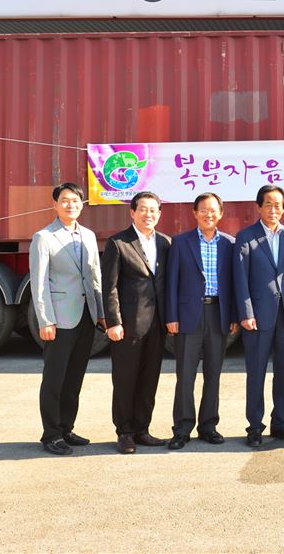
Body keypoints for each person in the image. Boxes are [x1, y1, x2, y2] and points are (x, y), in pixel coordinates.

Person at [30, 182, 106, 456]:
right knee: (55, 379)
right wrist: (45, 320)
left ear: (81, 205)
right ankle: (51, 434)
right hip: (60, 319)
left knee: (74, 378)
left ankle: (66, 428)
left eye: (75, 200)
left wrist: (101, 313)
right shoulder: (44, 237)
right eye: (64, 200)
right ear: (55, 205)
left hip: (85, 317)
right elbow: (39, 283)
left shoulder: (88, 235)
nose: (70, 205)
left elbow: (95, 276)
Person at [164, 192, 237, 450]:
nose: (208, 214)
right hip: (188, 317)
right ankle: (182, 428)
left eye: (213, 210)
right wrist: (171, 316)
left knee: (213, 374)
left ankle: (209, 426)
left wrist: (233, 316)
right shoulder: (180, 242)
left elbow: (234, 283)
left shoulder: (229, 243)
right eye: (203, 210)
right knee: (185, 375)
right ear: (194, 213)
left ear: (221, 213)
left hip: (218, 314)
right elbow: (171, 282)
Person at [101, 191, 172, 454]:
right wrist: (113, 322)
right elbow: (109, 287)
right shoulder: (118, 243)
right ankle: (125, 432)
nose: (148, 214)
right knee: (125, 380)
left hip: (157, 324)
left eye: (153, 210)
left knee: (149, 379)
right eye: (143, 209)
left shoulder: (165, 243)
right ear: (132, 212)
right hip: (128, 326)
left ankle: (143, 429)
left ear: (159, 214)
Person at [233, 184, 284, 447]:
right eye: (268, 204)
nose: (273, 209)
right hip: (257, 317)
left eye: (278, 205)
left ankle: (281, 422)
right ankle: (254, 426)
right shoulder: (246, 237)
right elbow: (240, 278)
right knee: (256, 372)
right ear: (259, 207)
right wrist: (246, 313)